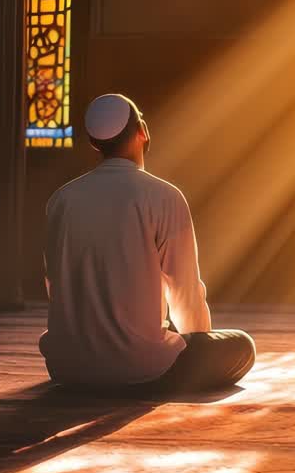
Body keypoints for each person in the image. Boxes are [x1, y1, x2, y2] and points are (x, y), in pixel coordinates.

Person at [39, 93, 255, 394]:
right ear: (143, 131)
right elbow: (185, 290)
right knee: (243, 346)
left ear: (94, 143)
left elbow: (55, 285)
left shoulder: (61, 199)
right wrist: (197, 347)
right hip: (142, 368)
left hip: (67, 368)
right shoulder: (163, 196)